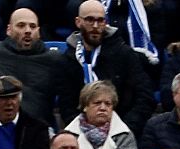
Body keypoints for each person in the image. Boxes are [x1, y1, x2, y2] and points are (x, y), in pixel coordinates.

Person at [0, 9, 79, 126]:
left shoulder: (55, 60)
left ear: (38, 32)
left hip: (38, 133)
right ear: (9, 30)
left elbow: (70, 98)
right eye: (21, 25)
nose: (27, 30)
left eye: (32, 26)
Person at [63, 1, 155, 134]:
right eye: (90, 20)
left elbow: (145, 96)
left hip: (122, 132)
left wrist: (125, 129)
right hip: (81, 135)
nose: (95, 25)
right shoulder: (69, 58)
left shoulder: (125, 54)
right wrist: (80, 132)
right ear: (78, 22)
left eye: (100, 20)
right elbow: (67, 105)